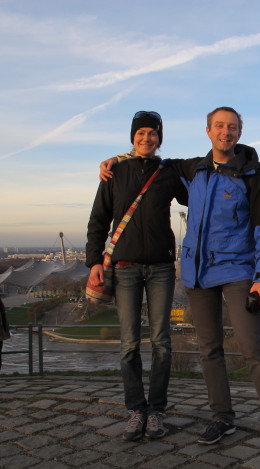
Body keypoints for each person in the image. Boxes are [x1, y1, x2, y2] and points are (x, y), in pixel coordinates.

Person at [100, 106, 260, 463]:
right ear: (207, 131)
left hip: (237, 273)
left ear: (238, 132)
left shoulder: (251, 175)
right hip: (198, 276)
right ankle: (222, 417)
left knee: (253, 349)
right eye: (219, 126)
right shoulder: (191, 170)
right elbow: (150, 157)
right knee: (209, 350)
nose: (225, 132)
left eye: (232, 127)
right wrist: (115, 159)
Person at [86, 111, 188, 441]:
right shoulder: (116, 171)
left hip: (160, 266)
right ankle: (135, 409)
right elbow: (98, 220)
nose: (147, 138)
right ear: (133, 137)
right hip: (125, 267)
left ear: (160, 137)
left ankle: (156, 410)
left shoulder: (168, 171)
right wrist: (94, 262)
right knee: (129, 342)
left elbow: (196, 192)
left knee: (161, 342)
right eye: (141, 133)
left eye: (153, 133)